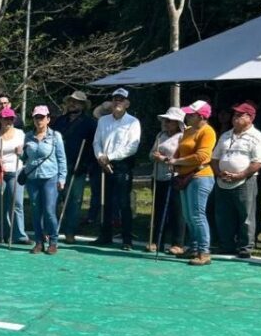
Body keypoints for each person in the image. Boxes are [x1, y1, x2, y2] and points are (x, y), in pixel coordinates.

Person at [211, 102, 261, 259]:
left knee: (246, 214)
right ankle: (226, 244)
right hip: (222, 180)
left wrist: (241, 174)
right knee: (223, 214)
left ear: (250, 118)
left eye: (239, 115)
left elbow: (259, 162)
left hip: (245, 180)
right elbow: (215, 157)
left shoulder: (257, 137)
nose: (234, 117)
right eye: (234, 115)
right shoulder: (225, 135)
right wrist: (218, 172)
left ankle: (245, 246)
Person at [165, 100, 217, 266]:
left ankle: (204, 251)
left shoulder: (207, 131)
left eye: (191, 114)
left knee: (197, 215)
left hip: (200, 177)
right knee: (188, 215)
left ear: (201, 116)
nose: (187, 116)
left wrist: (178, 161)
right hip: (184, 177)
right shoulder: (187, 131)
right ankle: (194, 248)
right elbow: (181, 150)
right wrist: (175, 160)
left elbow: (202, 156)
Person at [92, 88, 141, 250]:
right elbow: (96, 142)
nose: (117, 102)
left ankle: (127, 239)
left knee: (123, 203)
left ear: (127, 103)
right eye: (115, 99)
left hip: (122, 165)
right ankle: (105, 235)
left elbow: (132, 147)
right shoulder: (103, 121)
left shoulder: (133, 122)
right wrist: (100, 157)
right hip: (103, 164)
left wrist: (110, 157)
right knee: (105, 202)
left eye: (121, 99)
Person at [51, 91, 97, 243]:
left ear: (83, 105)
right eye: (70, 101)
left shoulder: (90, 123)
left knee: (74, 201)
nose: (72, 104)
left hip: (78, 167)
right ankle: (50, 230)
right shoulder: (59, 121)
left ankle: (70, 232)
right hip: (57, 166)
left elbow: (93, 147)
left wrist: (85, 165)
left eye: (76, 102)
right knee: (54, 199)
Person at [21, 106, 67, 255]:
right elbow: (25, 158)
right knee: (35, 211)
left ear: (48, 119)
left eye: (42, 117)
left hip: (50, 177)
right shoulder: (27, 137)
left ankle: (53, 241)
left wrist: (62, 178)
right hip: (32, 178)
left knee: (49, 211)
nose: (39, 120)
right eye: (36, 117)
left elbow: (61, 159)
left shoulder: (55, 136)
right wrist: (18, 154)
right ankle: (39, 242)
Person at [0, 107, 26, 244]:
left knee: (17, 203)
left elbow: (26, 153)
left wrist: (21, 151)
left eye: (11, 119)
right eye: (5, 118)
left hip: (15, 170)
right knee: (2, 203)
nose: (8, 121)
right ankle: (3, 233)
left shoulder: (20, 134)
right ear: (0, 120)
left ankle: (20, 235)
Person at [149, 107, 186, 255]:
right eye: (165, 120)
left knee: (177, 211)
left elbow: (181, 158)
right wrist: (155, 156)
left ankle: (178, 243)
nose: (166, 123)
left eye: (170, 120)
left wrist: (164, 159)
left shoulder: (182, 137)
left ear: (178, 123)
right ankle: (157, 242)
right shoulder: (160, 135)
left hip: (175, 177)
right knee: (157, 210)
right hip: (158, 176)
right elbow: (151, 154)